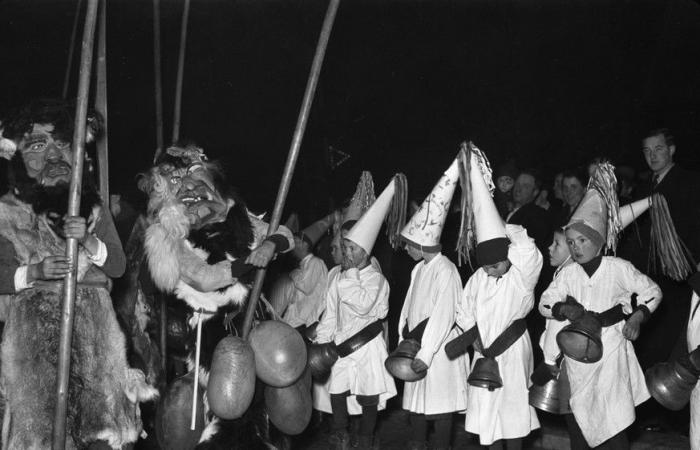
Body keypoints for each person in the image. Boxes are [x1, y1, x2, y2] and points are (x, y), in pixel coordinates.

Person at [0, 99, 156, 448]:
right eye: (38, 145)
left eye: (63, 144)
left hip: (97, 339)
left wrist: (87, 238)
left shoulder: (94, 208)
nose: (54, 155)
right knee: (41, 435)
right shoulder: (6, 213)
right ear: (19, 158)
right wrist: (34, 272)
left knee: (101, 434)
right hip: (33, 344)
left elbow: (115, 265)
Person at [137, 143, 295, 448]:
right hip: (214, 334)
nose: (191, 191)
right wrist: (248, 262)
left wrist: (271, 244)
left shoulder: (239, 217)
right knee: (228, 414)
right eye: (181, 189)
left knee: (263, 410)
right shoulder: (169, 237)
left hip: (257, 321)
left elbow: (284, 233)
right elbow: (204, 279)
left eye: (197, 183)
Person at [539, 163, 662, 449]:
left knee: (613, 422)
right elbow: (545, 302)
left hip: (611, 355)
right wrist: (562, 310)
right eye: (571, 242)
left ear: (597, 241)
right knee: (579, 421)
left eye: (583, 240)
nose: (577, 247)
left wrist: (637, 318)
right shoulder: (568, 274)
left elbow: (652, 291)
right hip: (576, 356)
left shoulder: (617, 268)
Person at [457, 147, 541, 450]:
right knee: (486, 413)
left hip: (512, 350)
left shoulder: (521, 276)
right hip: (484, 349)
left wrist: (501, 226)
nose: (491, 271)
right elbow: (463, 309)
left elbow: (529, 251)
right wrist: (473, 336)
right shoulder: (479, 277)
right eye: (486, 265)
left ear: (508, 256)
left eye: (496, 264)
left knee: (512, 410)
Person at [315, 175, 404, 450]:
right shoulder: (339, 277)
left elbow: (363, 304)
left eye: (351, 248)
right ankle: (340, 435)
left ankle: (365, 439)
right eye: (345, 248)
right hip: (342, 344)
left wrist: (351, 273)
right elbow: (332, 312)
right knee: (338, 392)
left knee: (368, 397)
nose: (347, 253)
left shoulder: (375, 278)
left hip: (367, 347)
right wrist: (321, 341)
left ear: (365, 251)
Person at [397, 154, 469, 450]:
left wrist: (425, 354)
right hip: (417, 345)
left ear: (422, 242)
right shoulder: (419, 269)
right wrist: (403, 334)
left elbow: (442, 315)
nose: (404, 246)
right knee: (417, 407)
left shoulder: (446, 270)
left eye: (407, 242)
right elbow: (408, 307)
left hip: (437, 350)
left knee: (439, 408)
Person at [280, 215, 332, 336]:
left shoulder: (315, 262)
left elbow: (306, 287)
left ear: (305, 245)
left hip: (305, 324)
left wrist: (294, 274)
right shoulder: (303, 265)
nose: (293, 247)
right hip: (294, 321)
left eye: (296, 242)